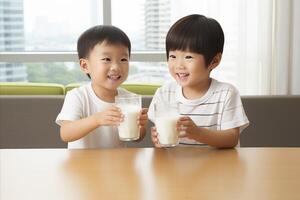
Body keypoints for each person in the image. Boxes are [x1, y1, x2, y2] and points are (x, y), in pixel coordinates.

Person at [149, 14, 249, 148]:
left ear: (214, 61)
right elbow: (161, 137)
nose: (179, 65)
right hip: (174, 166)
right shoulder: (164, 94)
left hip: (217, 167)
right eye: (173, 56)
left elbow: (232, 138)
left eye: (188, 57)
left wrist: (198, 133)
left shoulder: (226, 94)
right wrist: (157, 139)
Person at [56, 25, 148, 149]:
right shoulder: (78, 96)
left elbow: (137, 138)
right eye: (106, 59)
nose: (116, 66)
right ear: (85, 66)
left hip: (117, 164)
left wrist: (140, 126)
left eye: (123, 59)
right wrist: (97, 120)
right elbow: (66, 133)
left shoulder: (129, 98)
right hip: (82, 165)